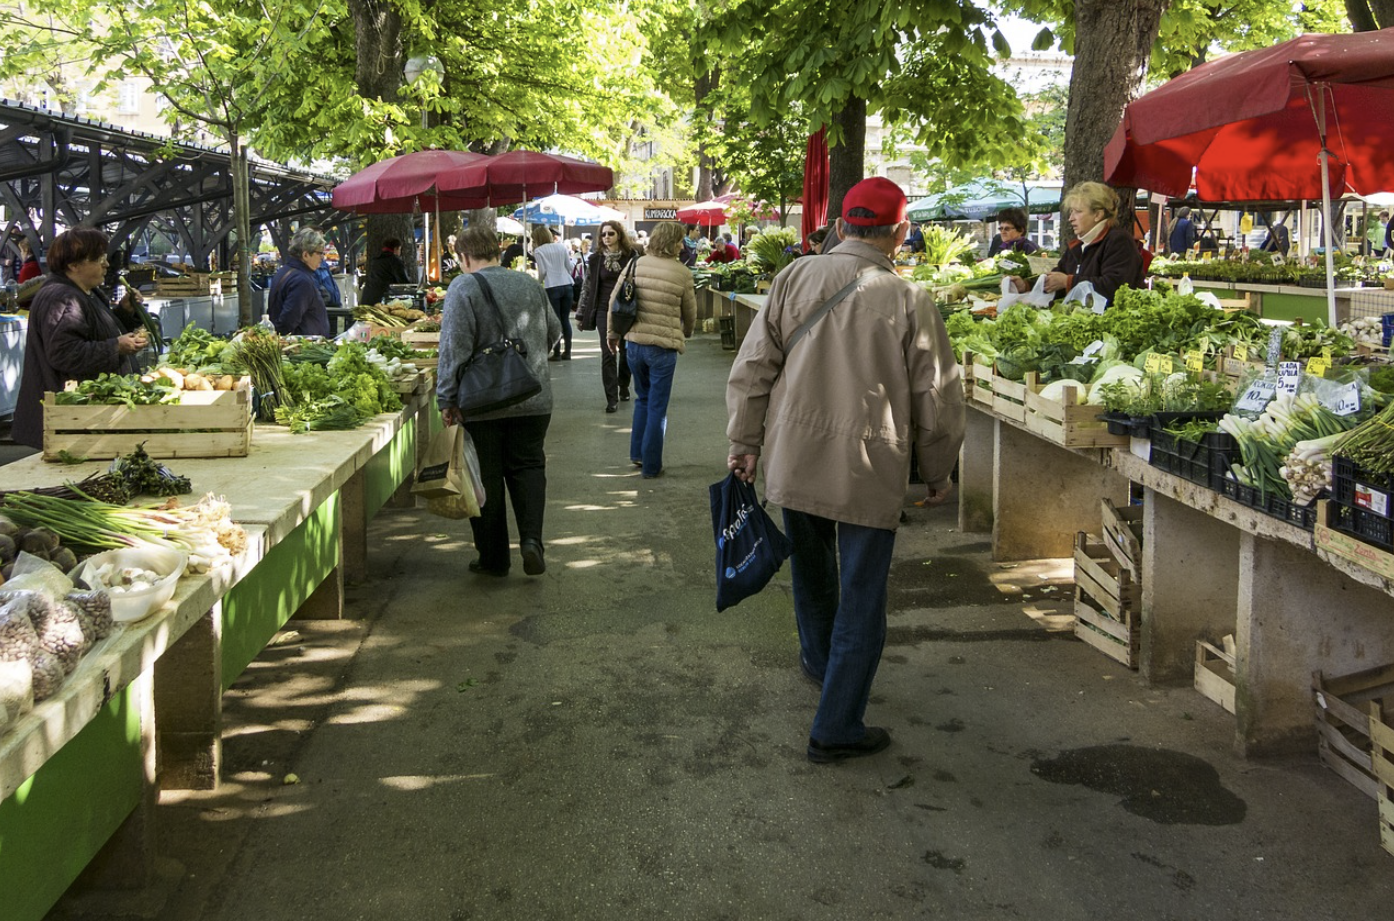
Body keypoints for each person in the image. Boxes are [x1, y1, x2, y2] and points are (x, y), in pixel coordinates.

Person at [725, 177, 965, 764]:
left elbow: (754, 366)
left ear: (838, 227)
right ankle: (836, 724)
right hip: (867, 464)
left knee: (812, 572)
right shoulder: (909, 299)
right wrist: (937, 472)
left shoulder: (793, 277)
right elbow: (937, 396)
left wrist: (744, 441)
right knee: (863, 595)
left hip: (795, 454)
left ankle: (819, 661)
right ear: (901, 234)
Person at [437, 226, 562, 578]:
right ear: (497, 250)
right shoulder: (528, 283)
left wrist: (446, 397)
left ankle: (493, 558)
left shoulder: (463, 287)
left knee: (486, 477)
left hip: (483, 402)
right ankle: (532, 542)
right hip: (533, 396)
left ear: (463, 256)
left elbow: (453, 349)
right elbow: (553, 332)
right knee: (528, 468)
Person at [12, 229, 148, 448]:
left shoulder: (84, 291)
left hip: (79, 419)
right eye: (98, 259)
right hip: (67, 421)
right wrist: (116, 347)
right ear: (74, 265)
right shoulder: (62, 297)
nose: (106, 265)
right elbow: (65, 354)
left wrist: (124, 312)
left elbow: (93, 330)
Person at [608, 220, 695, 478]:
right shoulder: (682, 273)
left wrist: (613, 333)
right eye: (679, 240)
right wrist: (686, 333)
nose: (682, 245)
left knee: (642, 399)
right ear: (672, 243)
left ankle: (637, 454)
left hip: (634, 344)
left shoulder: (635, 264)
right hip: (663, 348)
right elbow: (689, 313)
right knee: (657, 405)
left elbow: (616, 298)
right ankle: (651, 465)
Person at [1012, 182, 1145, 304]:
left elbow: (1115, 286)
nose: (1071, 218)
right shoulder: (1078, 245)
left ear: (1097, 215)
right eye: (1071, 212)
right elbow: (1056, 278)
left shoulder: (1118, 241)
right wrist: (1026, 285)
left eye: (1078, 212)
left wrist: (1068, 281)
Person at [576, 220, 636, 413]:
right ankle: (611, 398)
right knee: (608, 353)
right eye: (603, 234)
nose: (607, 237)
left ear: (619, 234)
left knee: (626, 352)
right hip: (603, 310)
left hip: (626, 309)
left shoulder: (631, 257)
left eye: (610, 233)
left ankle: (623, 384)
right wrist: (581, 313)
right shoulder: (596, 259)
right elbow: (587, 286)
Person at [268, 227, 331, 336]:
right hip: (301, 346)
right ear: (305, 255)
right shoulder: (301, 281)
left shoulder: (285, 271)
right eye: (320, 253)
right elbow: (288, 321)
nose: (322, 258)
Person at [531, 225, 575, 362]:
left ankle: (556, 353)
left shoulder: (538, 251)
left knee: (555, 321)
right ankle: (567, 351)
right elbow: (570, 267)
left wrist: (538, 283)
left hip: (552, 286)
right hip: (567, 284)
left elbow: (543, 271)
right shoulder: (561, 247)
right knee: (565, 319)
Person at [360, 237, 410, 306]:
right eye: (399, 250)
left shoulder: (375, 260)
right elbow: (403, 281)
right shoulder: (395, 261)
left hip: (367, 298)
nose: (400, 253)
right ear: (395, 249)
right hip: (383, 300)